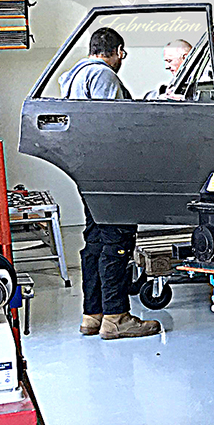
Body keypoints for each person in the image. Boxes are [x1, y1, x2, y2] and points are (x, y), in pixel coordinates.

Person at [59, 27, 161, 340]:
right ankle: (117, 317)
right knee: (117, 239)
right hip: (110, 169)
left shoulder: (73, 76)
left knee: (95, 239)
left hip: (86, 168)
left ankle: (93, 314)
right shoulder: (103, 75)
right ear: (118, 51)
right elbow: (117, 124)